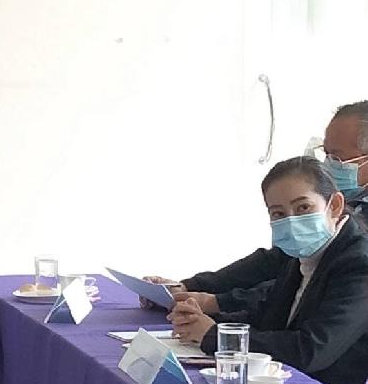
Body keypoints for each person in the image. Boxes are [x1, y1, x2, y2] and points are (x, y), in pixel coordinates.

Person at [169, 156, 368, 384]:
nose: (291, 222)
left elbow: (310, 350)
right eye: (278, 213)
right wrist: (200, 321)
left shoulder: (359, 264)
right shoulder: (302, 253)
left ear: (334, 205)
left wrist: (215, 336)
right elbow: (267, 317)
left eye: (303, 208)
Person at [144, 100, 368, 314]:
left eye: (336, 158)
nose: (327, 165)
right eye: (325, 153)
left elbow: (283, 292)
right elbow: (276, 262)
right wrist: (189, 287)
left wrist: (216, 303)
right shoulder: (342, 201)